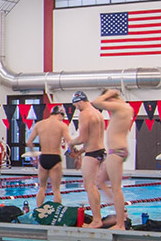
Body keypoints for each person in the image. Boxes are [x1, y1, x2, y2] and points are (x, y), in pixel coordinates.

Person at [97, 89, 134, 228]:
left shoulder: (120, 106)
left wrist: (108, 94)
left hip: (116, 151)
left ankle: (120, 223)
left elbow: (96, 103)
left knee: (116, 188)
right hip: (117, 151)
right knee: (100, 181)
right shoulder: (125, 108)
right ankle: (120, 212)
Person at [76, 94, 112, 226]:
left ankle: (97, 220)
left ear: (79, 102)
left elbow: (82, 138)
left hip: (92, 155)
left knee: (89, 186)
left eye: (76, 106)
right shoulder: (98, 113)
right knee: (94, 186)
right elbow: (91, 139)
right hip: (101, 152)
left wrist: (70, 143)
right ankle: (99, 218)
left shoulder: (85, 113)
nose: (77, 108)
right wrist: (80, 152)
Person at [32, 104, 73, 206]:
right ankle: (56, 213)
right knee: (56, 190)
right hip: (55, 157)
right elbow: (70, 142)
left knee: (42, 187)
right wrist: (74, 153)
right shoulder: (62, 125)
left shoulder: (39, 124)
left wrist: (35, 157)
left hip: (43, 157)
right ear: (60, 115)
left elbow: (29, 142)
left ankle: (38, 211)